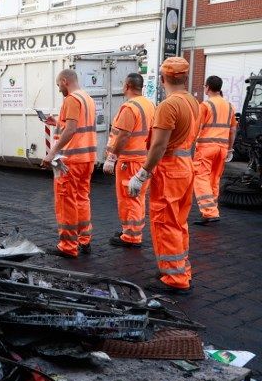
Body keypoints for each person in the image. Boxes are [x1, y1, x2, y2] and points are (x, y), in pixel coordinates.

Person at [127, 57, 199, 294]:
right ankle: (179, 268)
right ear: (185, 77)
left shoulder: (168, 106)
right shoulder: (192, 102)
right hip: (185, 166)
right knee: (178, 222)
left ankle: (174, 278)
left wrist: (142, 174)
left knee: (165, 223)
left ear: (162, 79)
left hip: (169, 170)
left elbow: (159, 145)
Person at [42, 69, 97, 258]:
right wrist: (57, 122)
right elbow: (76, 126)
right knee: (82, 198)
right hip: (86, 158)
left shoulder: (72, 99)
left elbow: (72, 129)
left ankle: (68, 246)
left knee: (66, 201)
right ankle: (84, 240)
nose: (59, 89)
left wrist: (52, 153)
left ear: (65, 81)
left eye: (58, 85)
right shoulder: (87, 98)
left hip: (69, 160)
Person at [103, 73, 155, 248]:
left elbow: (124, 135)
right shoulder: (149, 105)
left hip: (129, 161)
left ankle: (131, 236)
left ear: (127, 86)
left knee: (129, 198)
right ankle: (132, 230)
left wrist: (112, 158)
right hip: (143, 159)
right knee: (137, 197)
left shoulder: (129, 107)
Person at [192, 76, 236, 224]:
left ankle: (209, 212)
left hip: (206, 148)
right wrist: (230, 149)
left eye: (205, 86)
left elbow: (196, 127)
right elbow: (233, 129)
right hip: (222, 148)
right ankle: (212, 210)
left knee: (200, 177)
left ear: (208, 87)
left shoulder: (205, 105)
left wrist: (188, 144)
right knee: (214, 179)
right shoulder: (230, 106)